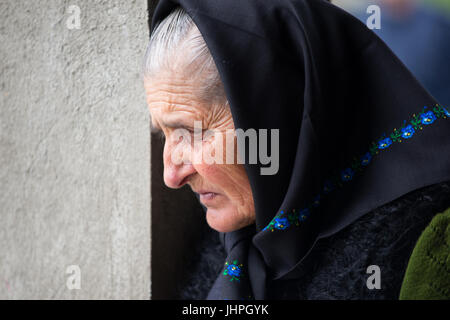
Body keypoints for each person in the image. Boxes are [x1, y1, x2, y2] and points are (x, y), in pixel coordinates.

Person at [144, 0, 450, 300]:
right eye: (165, 134)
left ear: (279, 114)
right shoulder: (233, 242)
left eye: (193, 132)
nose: (171, 176)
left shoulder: (433, 249)